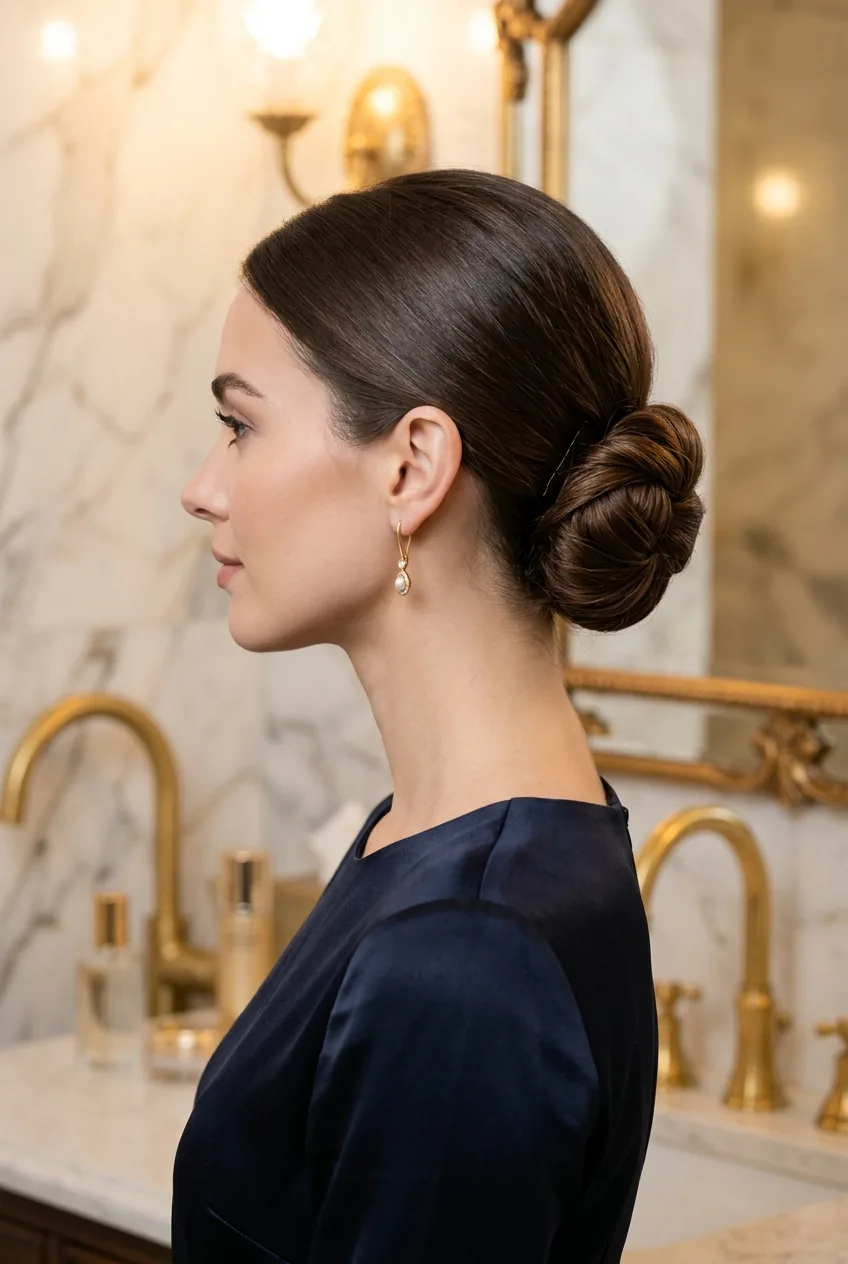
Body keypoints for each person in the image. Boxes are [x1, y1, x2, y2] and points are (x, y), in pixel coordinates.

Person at [174, 167, 705, 1264]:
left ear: (412, 465)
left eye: (239, 425)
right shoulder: (451, 842)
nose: (203, 485)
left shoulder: (465, 950)